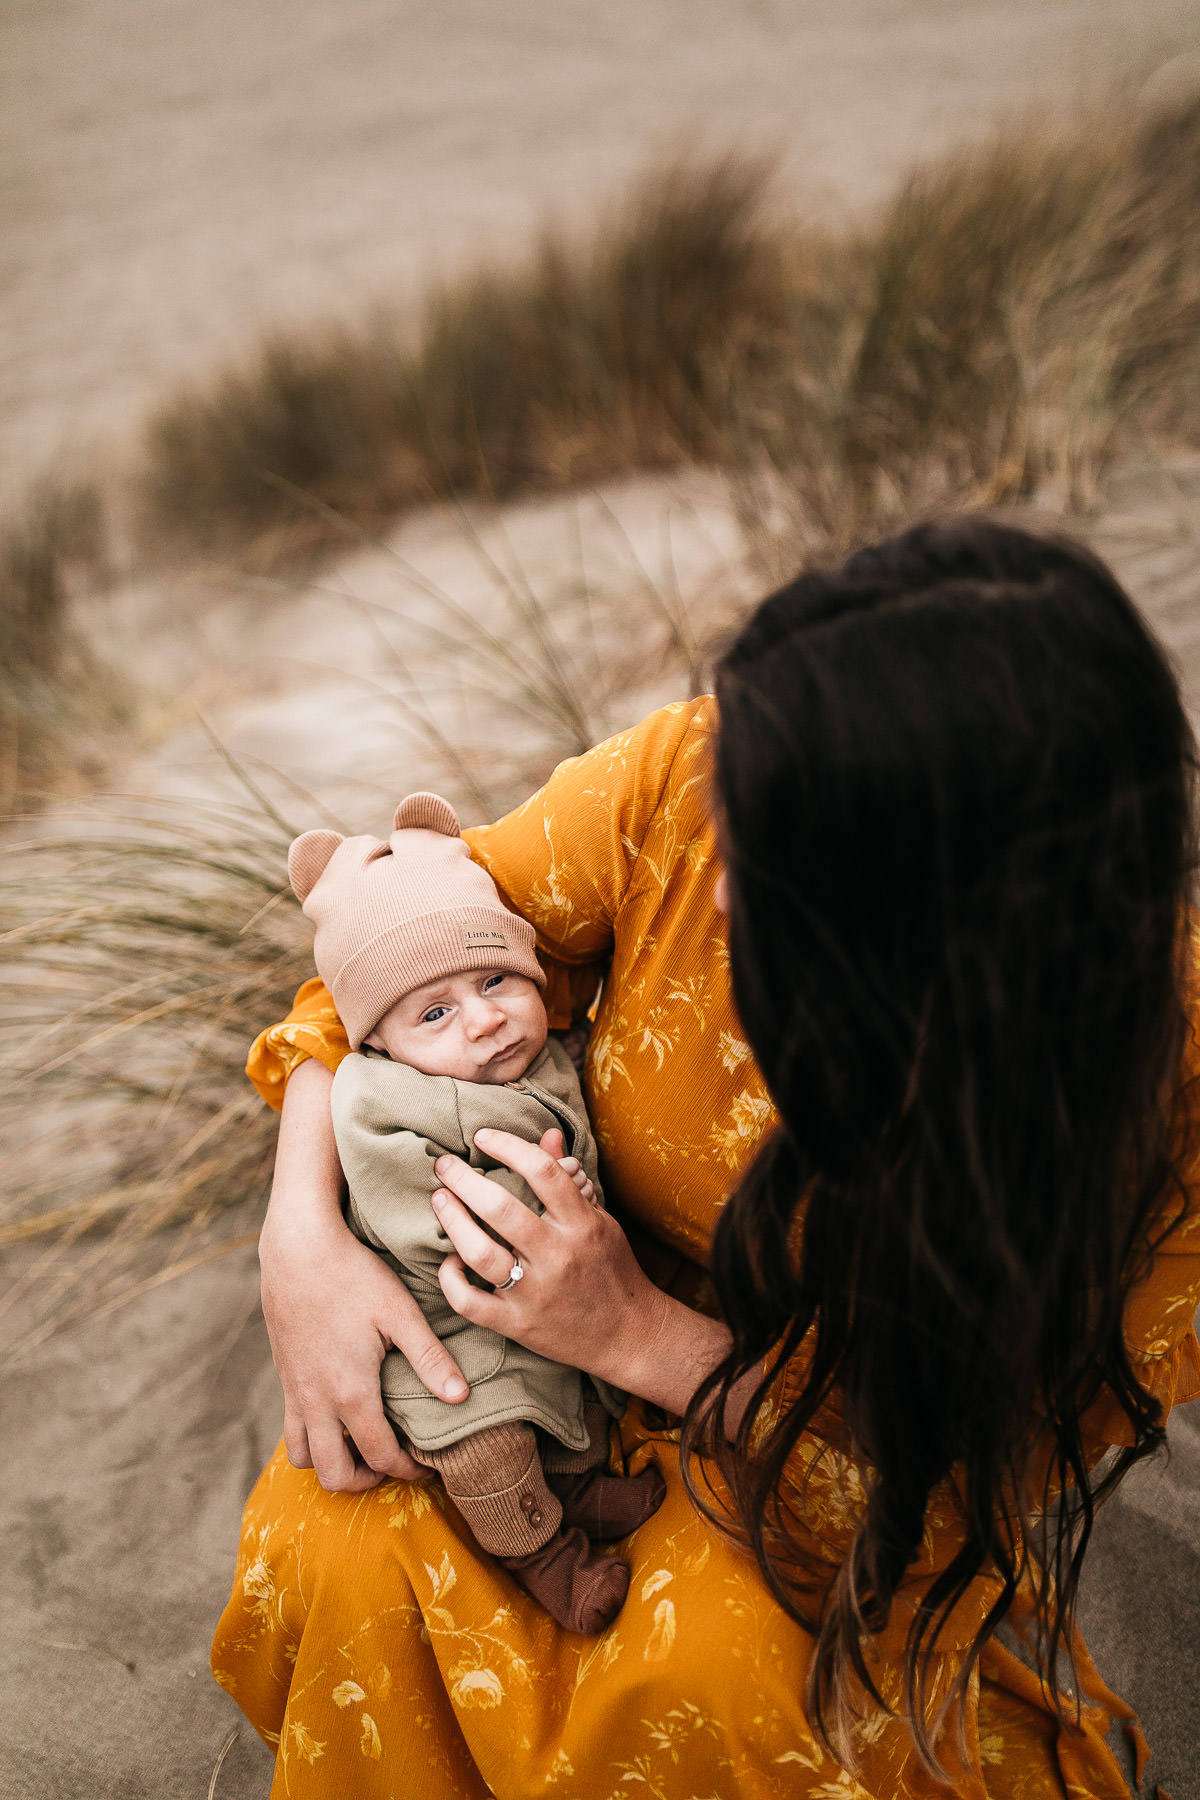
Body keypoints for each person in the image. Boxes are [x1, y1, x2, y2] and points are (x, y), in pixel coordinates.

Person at [214, 518, 1200, 1799]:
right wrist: (302, 1234)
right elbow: (384, 956)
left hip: (797, 1465)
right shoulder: (703, 770)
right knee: (336, 1536)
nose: (718, 883)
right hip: (536, 1379)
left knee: (719, 1687)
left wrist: (631, 1333)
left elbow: (941, 1496)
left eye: (772, 857)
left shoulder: (1160, 1113)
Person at [286, 789, 664, 1634]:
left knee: (565, 1404)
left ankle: (574, 1493)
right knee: (483, 1436)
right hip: (447, 1320)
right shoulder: (378, 1101)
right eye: (436, 1012)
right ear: (378, 1042)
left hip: (542, 1299)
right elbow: (404, 1210)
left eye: (496, 979)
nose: (486, 1018)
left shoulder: (537, 1055)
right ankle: (546, 1562)